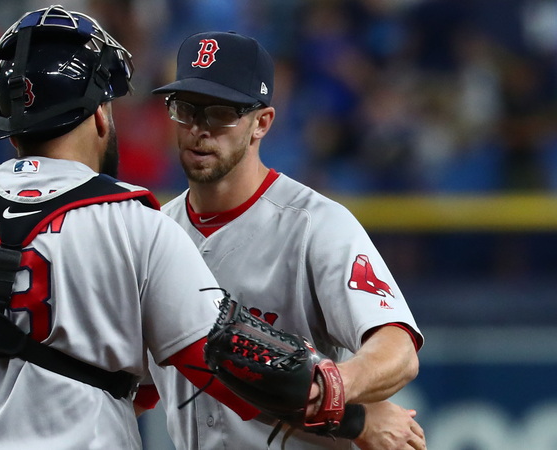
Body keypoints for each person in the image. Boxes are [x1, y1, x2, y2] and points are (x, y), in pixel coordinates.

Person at [0, 8, 269, 449]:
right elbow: (226, 366)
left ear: (12, 122)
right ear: (100, 114)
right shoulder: (136, 225)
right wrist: (319, 399)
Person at [138, 31, 426, 450]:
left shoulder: (315, 224)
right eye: (186, 109)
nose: (199, 129)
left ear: (262, 122)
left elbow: (397, 348)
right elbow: (139, 386)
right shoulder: (154, 232)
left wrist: (335, 385)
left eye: (220, 113)